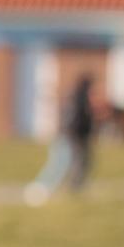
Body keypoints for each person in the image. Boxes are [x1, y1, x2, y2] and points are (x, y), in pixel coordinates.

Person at [24, 72, 98, 205]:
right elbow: (74, 120)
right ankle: (41, 188)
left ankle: (74, 187)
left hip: (72, 136)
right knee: (61, 163)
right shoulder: (78, 99)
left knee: (75, 162)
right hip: (69, 136)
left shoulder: (78, 97)